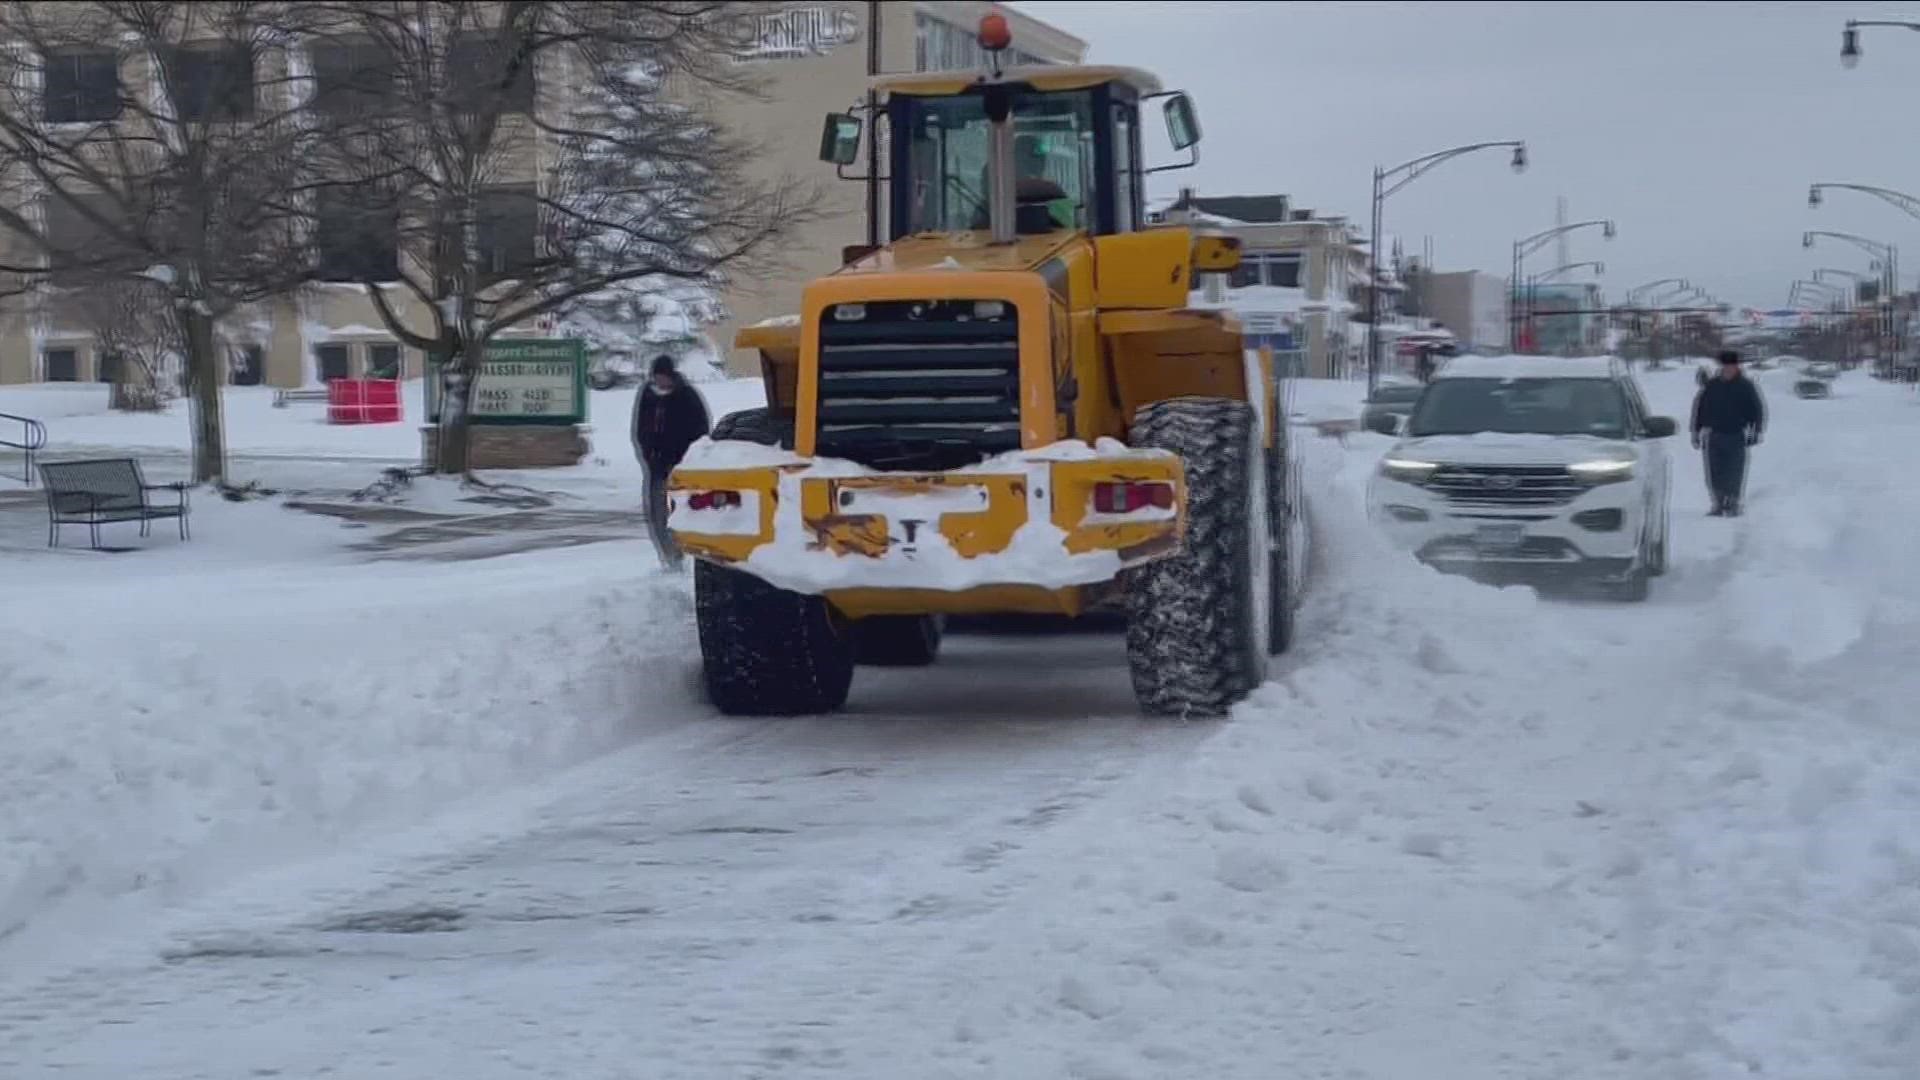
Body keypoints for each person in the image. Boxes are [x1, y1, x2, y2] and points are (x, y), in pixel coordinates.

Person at [631, 354, 711, 569]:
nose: (660, 382)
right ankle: (669, 556)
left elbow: (701, 430)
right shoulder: (648, 395)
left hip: (681, 464)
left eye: (663, 377)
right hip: (656, 464)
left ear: (671, 376)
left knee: (682, 510)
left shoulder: (687, 395)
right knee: (657, 511)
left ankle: (686, 553)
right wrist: (648, 455)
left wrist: (689, 459)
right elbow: (641, 428)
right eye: (656, 377)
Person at [1690, 349, 1766, 517]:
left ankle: (1732, 502)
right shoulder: (1712, 386)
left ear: (1737, 367)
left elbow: (1757, 410)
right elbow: (1700, 409)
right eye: (1726, 366)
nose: (1729, 369)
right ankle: (1718, 502)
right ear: (1722, 367)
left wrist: (1756, 430)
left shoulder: (1745, 386)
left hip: (1736, 435)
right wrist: (1696, 431)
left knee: (1734, 470)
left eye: (1732, 366)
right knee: (1714, 471)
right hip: (1714, 435)